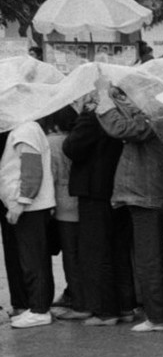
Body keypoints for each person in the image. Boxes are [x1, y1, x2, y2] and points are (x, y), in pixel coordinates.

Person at [96, 76, 163, 333]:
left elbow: (120, 129)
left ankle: (158, 317)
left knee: (150, 259)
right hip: (159, 193)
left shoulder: (154, 118)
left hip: (148, 195)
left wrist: (104, 97)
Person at [63, 96, 134, 327]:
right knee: (118, 250)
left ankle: (106, 310)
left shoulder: (92, 115)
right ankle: (125, 306)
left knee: (97, 251)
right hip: (117, 187)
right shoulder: (122, 112)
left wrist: (81, 115)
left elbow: (71, 147)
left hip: (95, 191)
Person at [0, 113, 57, 328]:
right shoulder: (23, 129)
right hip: (30, 206)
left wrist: (20, 203)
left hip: (31, 207)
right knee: (31, 257)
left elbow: (31, 171)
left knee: (34, 259)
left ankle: (40, 310)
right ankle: (37, 307)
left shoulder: (26, 129)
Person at [45, 106, 88, 320]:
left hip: (63, 203)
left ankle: (78, 301)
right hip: (83, 201)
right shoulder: (78, 138)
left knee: (71, 255)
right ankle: (85, 296)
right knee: (85, 253)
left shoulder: (51, 143)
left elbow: (50, 175)